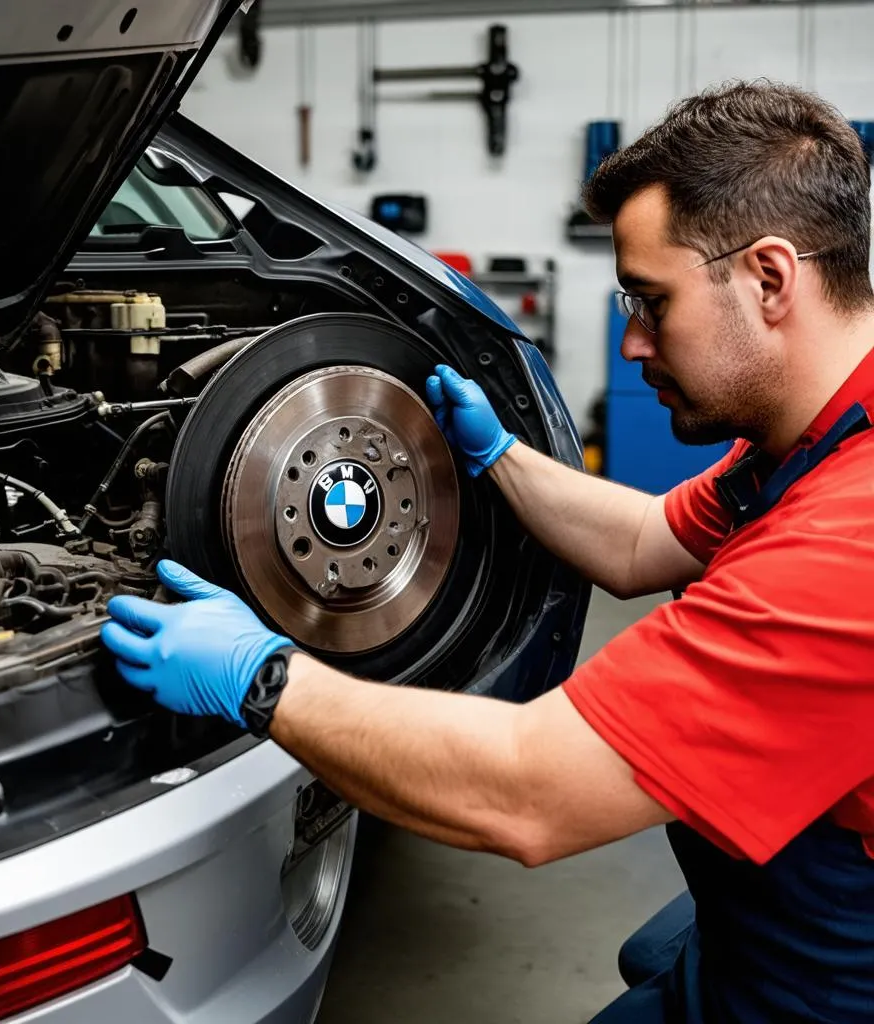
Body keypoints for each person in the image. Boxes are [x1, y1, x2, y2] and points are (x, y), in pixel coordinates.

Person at [100, 81, 874, 1022]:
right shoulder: (816, 436)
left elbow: (527, 792)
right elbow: (642, 542)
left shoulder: (846, 547)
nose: (631, 342)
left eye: (652, 300)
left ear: (769, 277)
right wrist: (500, 459)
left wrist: (262, 679)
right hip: (763, 925)